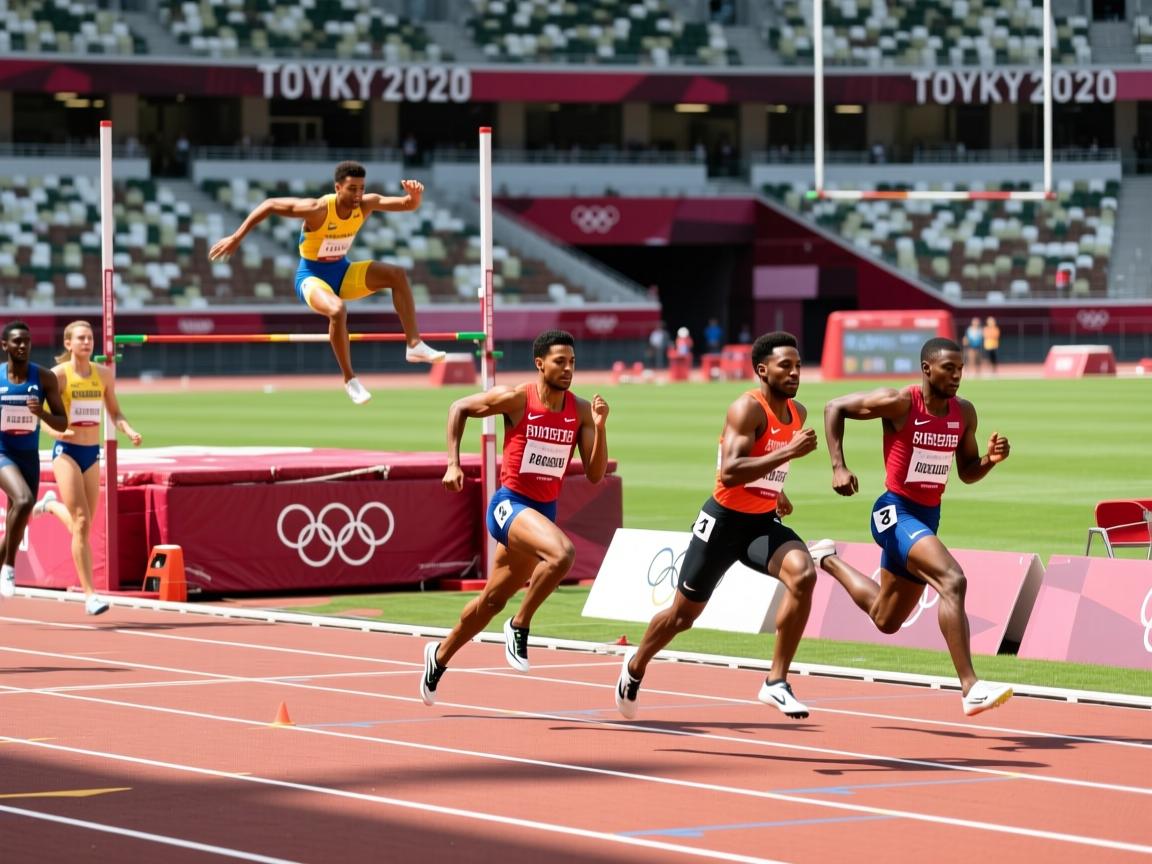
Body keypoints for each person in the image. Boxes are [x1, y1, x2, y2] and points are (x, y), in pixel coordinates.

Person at [614, 331, 824, 720]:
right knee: (682, 617)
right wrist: (791, 451)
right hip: (723, 524)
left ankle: (775, 682)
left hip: (761, 523)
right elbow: (729, 473)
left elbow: (767, 458)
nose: (795, 373)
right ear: (763, 369)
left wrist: (776, 492)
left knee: (804, 574)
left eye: (798, 365)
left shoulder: (798, 413)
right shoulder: (746, 409)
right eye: (786, 366)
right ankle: (636, 664)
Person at [816, 337, 1013, 717]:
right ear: (927, 369)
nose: (957, 376)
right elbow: (833, 406)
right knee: (952, 580)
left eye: (961, 369)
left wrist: (990, 459)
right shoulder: (901, 403)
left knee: (886, 619)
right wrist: (838, 465)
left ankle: (826, 559)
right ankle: (971, 687)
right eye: (949, 369)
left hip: (926, 518)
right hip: (894, 511)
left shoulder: (964, 413)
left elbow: (968, 472)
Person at [421, 330, 609, 705]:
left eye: (572, 362)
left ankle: (438, 657)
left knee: (491, 600)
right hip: (509, 505)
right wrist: (453, 463)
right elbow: (458, 407)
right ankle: (520, 624)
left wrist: (600, 428)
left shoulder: (583, 411)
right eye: (560, 361)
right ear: (540, 364)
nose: (568, 368)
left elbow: (594, 474)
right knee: (562, 555)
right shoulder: (516, 399)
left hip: (542, 513)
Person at [208, 161, 446, 406]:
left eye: (361, 188)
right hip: (311, 277)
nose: (358, 195)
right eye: (352, 188)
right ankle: (350, 379)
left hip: (342, 271)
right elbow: (269, 205)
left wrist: (415, 196)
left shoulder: (366, 204)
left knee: (396, 274)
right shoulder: (318, 209)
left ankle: (414, 344)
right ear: (337, 187)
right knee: (337, 310)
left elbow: (408, 205)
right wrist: (236, 238)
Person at [32, 321, 142, 615]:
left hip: (91, 454)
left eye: (89, 338)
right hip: (66, 452)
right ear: (68, 344)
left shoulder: (104, 375)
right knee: (81, 522)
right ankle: (90, 595)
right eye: (80, 338)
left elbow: (115, 411)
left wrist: (128, 430)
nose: (86, 342)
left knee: (83, 526)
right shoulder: (59, 375)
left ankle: (51, 506)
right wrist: (57, 433)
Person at [0, 321, 69, 600]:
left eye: (27, 341)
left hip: (27, 456)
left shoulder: (44, 378)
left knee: (21, 513)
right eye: (17, 341)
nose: (23, 346)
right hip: (2, 451)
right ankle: (9, 568)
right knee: (26, 499)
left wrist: (41, 413)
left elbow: (63, 423)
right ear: (4, 345)